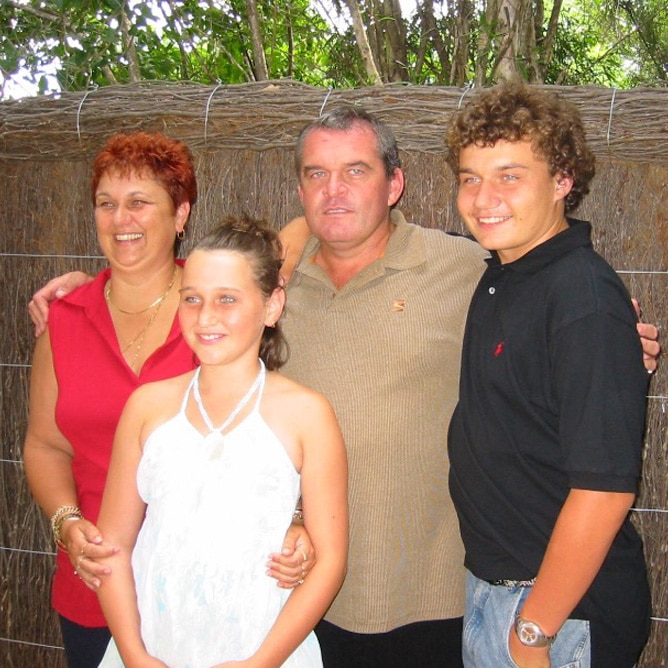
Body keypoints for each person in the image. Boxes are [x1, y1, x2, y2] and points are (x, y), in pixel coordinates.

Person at [27, 109, 660, 668]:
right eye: (315, 174)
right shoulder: (267, 292)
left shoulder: (467, 268)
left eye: (356, 171)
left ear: (395, 184)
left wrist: (614, 334)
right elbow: (184, 290)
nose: (333, 191)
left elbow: (546, 295)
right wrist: (90, 285)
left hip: (432, 598)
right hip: (296, 601)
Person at [23, 132, 311, 668]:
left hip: (220, 595)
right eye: (106, 204)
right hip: (99, 576)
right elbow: (43, 445)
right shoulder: (63, 320)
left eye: (139, 202)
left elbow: (274, 434)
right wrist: (66, 522)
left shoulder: (219, 311)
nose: (121, 218)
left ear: (181, 215)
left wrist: (294, 518)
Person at [445, 82, 651, 668]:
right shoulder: (504, 275)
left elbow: (605, 491)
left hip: (558, 615)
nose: (484, 198)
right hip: (501, 591)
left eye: (510, 175)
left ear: (562, 180)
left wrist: (531, 634)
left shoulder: (581, 296)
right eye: (469, 177)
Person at [94, 217, 348, 667]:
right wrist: (134, 655)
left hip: (263, 648)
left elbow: (329, 561)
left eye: (227, 299)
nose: (205, 317)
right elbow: (113, 546)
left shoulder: (307, 415)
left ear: (272, 307)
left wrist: (261, 662)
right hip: (153, 647)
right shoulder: (147, 407)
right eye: (192, 299)